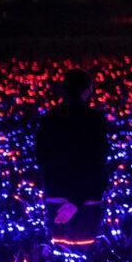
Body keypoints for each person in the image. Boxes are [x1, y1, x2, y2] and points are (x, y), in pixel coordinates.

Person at [34, 68, 111, 247]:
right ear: (87, 90)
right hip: (87, 197)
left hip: (57, 193)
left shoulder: (50, 118)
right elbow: (97, 160)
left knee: (60, 255)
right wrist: (77, 200)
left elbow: (43, 157)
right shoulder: (94, 119)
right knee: (84, 256)